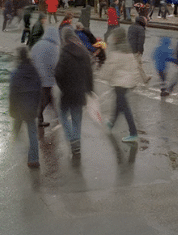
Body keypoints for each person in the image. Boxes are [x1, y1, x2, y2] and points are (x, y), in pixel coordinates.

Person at [54, 27, 94, 158]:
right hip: (80, 93)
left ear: (64, 39)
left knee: (63, 116)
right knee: (77, 120)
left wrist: (63, 87)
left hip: (67, 93)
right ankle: (76, 146)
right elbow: (89, 72)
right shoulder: (83, 51)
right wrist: (89, 89)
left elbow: (58, 74)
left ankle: (71, 138)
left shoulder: (64, 53)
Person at [102, 28, 141, 143]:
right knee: (119, 104)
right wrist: (134, 81)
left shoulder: (116, 52)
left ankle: (133, 133)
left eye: (114, 36)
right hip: (126, 83)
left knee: (124, 107)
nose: (112, 38)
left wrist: (103, 76)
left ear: (117, 38)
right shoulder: (128, 50)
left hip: (119, 83)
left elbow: (109, 68)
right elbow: (135, 67)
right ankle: (111, 124)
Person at [9, 46, 42, 168]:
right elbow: (39, 88)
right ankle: (34, 159)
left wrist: (12, 109)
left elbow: (13, 93)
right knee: (32, 132)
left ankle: (21, 150)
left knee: (16, 131)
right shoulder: (34, 70)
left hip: (20, 108)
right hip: (32, 107)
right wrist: (37, 105)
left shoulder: (16, 73)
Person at [30, 23, 60, 128]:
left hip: (36, 77)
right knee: (46, 99)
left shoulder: (38, 44)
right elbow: (54, 64)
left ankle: (57, 116)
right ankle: (38, 117)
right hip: (46, 78)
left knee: (49, 98)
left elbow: (31, 59)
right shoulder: (52, 47)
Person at [127, 15, 151, 83]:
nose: (146, 21)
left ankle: (144, 78)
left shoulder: (131, 26)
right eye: (145, 20)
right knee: (138, 65)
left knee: (135, 64)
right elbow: (141, 42)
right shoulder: (141, 29)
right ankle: (143, 79)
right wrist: (140, 50)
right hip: (135, 49)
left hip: (129, 48)